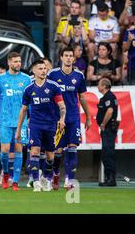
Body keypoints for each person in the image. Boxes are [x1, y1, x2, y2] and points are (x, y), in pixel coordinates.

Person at [16, 59, 67, 192]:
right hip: (35, 125)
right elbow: (23, 110)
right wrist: (18, 129)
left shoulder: (53, 87)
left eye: (45, 68)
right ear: (34, 71)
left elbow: (62, 106)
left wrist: (62, 119)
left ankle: (45, 177)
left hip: (50, 125)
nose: (43, 71)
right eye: (40, 68)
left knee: (50, 157)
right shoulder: (28, 89)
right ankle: (36, 182)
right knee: (35, 151)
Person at [0, 52, 32, 191]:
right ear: (9, 62)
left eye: (20, 61)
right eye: (15, 61)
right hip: (5, 120)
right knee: (5, 151)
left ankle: (15, 181)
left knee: (19, 149)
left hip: (21, 121)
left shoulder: (26, 79)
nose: (18, 64)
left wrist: (31, 116)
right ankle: (5, 173)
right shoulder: (0, 79)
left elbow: (29, 100)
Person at [48, 47, 92, 190]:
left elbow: (83, 98)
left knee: (72, 148)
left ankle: (69, 180)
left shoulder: (79, 76)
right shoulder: (52, 74)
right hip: (57, 118)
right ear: (61, 57)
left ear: (74, 58)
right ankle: (55, 174)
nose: (68, 58)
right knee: (57, 151)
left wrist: (89, 117)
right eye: (66, 55)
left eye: (71, 56)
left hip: (73, 117)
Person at [96, 77, 119, 187]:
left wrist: (103, 124)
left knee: (108, 153)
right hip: (108, 130)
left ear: (104, 86)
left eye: (99, 84)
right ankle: (108, 177)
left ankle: (111, 179)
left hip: (108, 128)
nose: (97, 86)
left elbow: (109, 111)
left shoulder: (108, 97)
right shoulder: (107, 97)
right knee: (106, 153)